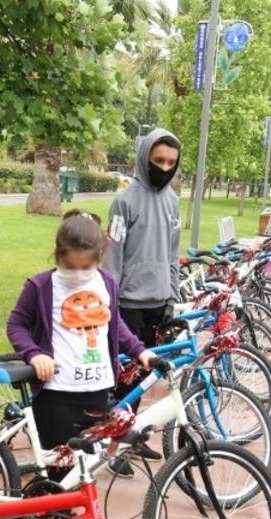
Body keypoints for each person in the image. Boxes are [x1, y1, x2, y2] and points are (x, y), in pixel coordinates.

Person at [7, 210, 154, 519]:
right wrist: (33, 354)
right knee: (59, 461)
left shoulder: (106, 283)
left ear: (98, 259)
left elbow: (114, 327)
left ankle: (72, 517)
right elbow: (16, 324)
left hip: (96, 388)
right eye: (71, 267)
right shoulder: (41, 286)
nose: (78, 275)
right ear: (58, 256)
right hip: (56, 391)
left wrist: (140, 351)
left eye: (85, 268)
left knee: (87, 461)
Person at [102, 126, 182, 473]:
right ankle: (115, 446)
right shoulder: (124, 201)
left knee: (148, 380)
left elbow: (173, 252)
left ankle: (133, 438)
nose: (164, 168)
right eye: (158, 160)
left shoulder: (174, 201)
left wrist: (173, 295)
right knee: (127, 380)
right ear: (145, 157)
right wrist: (111, 300)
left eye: (171, 163)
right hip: (129, 305)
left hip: (160, 302)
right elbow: (113, 254)